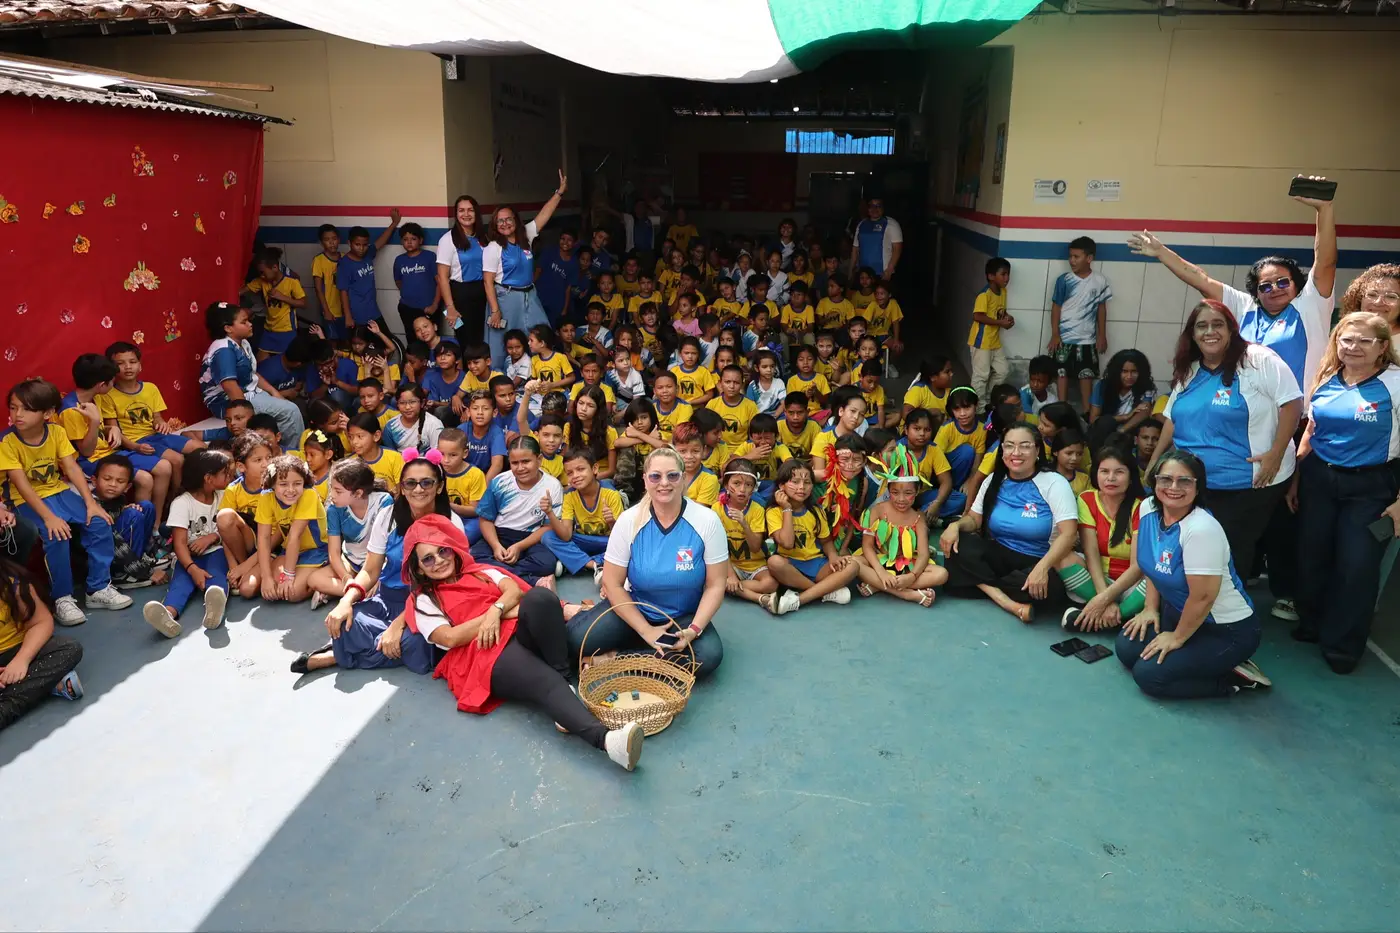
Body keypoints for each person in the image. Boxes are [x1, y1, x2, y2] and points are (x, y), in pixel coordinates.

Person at [401, 514, 644, 770]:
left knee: (540, 598)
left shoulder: (481, 572)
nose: (439, 560)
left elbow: (514, 590)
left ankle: (564, 685)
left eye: (443, 551)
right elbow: (450, 637)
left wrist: (496, 611)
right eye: (428, 558)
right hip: (485, 654)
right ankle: (608, 742)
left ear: (453, 549)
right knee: (545, 680)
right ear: (419, 568)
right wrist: (498, 615)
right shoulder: (423, 601)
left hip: (517, 632)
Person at [1149, 300, 1302, 583]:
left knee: (1228, 553)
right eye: (1202, 326)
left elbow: (1292, 403)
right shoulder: (1190, 369)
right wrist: (1154, 461)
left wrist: (1276, 454)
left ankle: (1228, 609)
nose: (1210, 332)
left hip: (1249, 482)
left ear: (1231, 329)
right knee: (1193, 549)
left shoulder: (1258, 359)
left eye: (1217, 324)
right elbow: (1172, 418)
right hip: (1196, 482)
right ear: (1193, 334)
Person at [1108, 450, 1270, 699]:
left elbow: (1203, 597)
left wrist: (1177, 638)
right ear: (1155, 481)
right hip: (1178, 613)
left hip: (1225, 630)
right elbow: (1151, 564)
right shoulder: (1148, 508)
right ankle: (1199, 660)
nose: (1173, 488)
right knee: (1127, 649)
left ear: (1198, 487)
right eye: (1166, 479)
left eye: (1184, 481)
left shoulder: (1201, 529)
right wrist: (1150, 608)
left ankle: (1233, 678)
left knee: (1149, 676)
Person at [1290, 312, 1400, 674]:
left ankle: (1342, 648)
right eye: (1347, 339)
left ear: (1382, 347)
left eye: (1365, 341)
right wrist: (1296, 477)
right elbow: (1312, 429)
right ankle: (1312, 624)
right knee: (1312, 556)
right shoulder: (1326, 378)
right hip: (1319, 479)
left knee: (1357, 566)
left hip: (1370, 487)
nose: (1354, 347)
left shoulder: (1395, 384)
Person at [566, 447, 727, 678]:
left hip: (683, 616)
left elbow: (716, 585)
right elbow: (612, 583)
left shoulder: (707, 521)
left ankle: (616, 659)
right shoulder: (628, 521)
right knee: (573, 642)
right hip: (635, 608)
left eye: (673, 475)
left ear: (683, 479)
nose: (664, 483)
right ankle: (639, 641)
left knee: (708, 656)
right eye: (655, 476)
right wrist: (645, 630)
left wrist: (694, 629)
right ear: (645, 480)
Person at [296, 451, 453, 674]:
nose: (418, 489)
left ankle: (336, 656)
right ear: (402, 488)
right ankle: (369, 647)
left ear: (439, 486)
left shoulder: (451, 523)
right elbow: (370, 570)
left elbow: (443, 587)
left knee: (418, 642)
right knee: (347, 622)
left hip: (425, 604)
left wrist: (399, 624)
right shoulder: (388, 517)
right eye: (411, 483)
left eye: (426, 482)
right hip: (388, 598)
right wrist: (346, 600)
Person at [1, 378, 131, 626]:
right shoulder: (7, 441)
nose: (18, 415)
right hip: (24, 499)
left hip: (59, 491)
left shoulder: (56, 432)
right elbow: (21, 484)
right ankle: (62, 598)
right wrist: (49, 518)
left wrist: (91, 503)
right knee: (57, 534)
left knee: (99, 522)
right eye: (14, 408)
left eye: (27, 409)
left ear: (47, 413)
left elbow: (71, 468)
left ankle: (98, 588)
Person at [940, 422, 1079, 622]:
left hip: (1038, 559)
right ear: (1002, 450)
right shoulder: (993, 480)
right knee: (957, 544)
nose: (1016, 452)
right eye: (1009, 446)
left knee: (1052, 589)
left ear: (1037, 450)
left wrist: (1042, 568)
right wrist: (955, 525)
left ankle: (975, 582)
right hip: (999, 553)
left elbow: (1069, 534)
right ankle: (1008, 603)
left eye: (1025, 446)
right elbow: (974, 520)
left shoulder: (1054, 483)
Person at [141, 449, 232, 638]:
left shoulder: (224, 495)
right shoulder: (182, 503)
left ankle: (214, 609)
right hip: (188, 557)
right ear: (208, 478)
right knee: (180, 583)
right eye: (225, 473)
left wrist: (212, 537)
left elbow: (230, 526)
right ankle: (168, 615)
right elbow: (180, 543)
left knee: (216, 575)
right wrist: (192, 568)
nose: (230, 476)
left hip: (216, 550)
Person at [1060, 445, 1150, 633]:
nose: (1111, 478)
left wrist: (1106, 598)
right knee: (1062, 557)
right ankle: (1115, 617)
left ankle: (1102, 617)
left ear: (1131, 477)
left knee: (1156, 578)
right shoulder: (1087, 499)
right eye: (1104, 471)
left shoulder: (1142, 507)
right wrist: (1104, 598)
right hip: (1096, 581)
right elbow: (1091, 554)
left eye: (1119, 472)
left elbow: (1137, 566)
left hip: (1130, 585)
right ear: (1096, 473)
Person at [483, 172, 568, 369]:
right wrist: (495, 310)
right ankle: (500, 377)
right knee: (502, 341)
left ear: (516, 220)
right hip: (505, 298)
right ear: (495, 225)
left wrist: (559, 193)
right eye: (500, 221)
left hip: (530, 295)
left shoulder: (525, 236)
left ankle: (540, 372)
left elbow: (544, 215)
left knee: (542, 334)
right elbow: (487, 281)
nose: (505, 224)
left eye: (509, 219)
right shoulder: (493, 247)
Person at [759, 458, 860, 614]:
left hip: (816, 564)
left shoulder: (816, 511)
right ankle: (823, 592)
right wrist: (787, 509)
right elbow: (787, 543)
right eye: (795, 482)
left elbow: (826, 542)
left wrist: (833, 557)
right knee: (774, 562)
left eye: (807, 482)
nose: (802, 487)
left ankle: (800, 599)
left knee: (853, 565)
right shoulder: (773, 512)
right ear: (781, 486)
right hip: (790, 566)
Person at [199, 301, 304, 448]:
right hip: (227, 402)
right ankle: (292, 454)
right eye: (244, 322)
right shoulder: (223, 350)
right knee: (291, 412)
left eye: (248, 320)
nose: (250, 324)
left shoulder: (242, 342)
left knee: (289, 406)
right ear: (228, 328)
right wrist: (246, 416)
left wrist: (274, 392)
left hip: (250, 394)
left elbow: (252, 374)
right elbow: (230, 386)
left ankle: (276, 451)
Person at [0, 556, 85, 730]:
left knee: (68, 648)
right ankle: (44, 685)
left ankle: (8, 705)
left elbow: (42, 622)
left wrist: (21, 660)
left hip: (17, 653)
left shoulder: (13, 585)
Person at [855, 448, 948, 606]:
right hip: (878, 563)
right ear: (888, 490)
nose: (901, 499)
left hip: (906, 566)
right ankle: (907, 594)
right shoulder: (877, 510)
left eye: (908, 493)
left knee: (941, 574)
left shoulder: (919, 518)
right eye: (895, 492)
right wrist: (881, 573)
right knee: (853, 563)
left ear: (917, 491)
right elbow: (867, 546)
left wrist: (911, 576)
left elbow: (923, 554)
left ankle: (878, 585)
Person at [471, 436, 564, 585]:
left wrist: (519, 547)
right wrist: (496, 546)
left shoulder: (553, 486)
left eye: (526, 461)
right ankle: (533, 580)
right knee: (473, 557)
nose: (520, 468)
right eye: (515, 463)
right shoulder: (500, 482)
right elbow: (485, 519)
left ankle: (498, 573)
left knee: (546, 563)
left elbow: (548, 527)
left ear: (539, 460)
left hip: (531, 538)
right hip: (500, 533)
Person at [542, 447, 624, 585]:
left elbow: (620, 537)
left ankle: (573, 562)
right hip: (583, 541)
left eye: (580, 469)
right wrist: (550, 512)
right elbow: (566, 536)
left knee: (630, 547)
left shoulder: (611, 494)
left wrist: (611, 522)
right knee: (548, 537)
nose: (575, 476)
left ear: (595, 468)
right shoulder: (569, 496)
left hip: (607, 542)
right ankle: (595, 565)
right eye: (570, 473)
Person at [1048, 237, 1112, 409]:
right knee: (1061, 375)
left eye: (1076, 257)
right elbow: (1056, 307)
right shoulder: (1064, 280)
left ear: (1089, 258)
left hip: (1087, 339)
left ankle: (1087, 413)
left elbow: (1101, 309)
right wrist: (1055, 334)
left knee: (1086, 376)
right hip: (1064, 339)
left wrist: (1102, 335)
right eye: (1070, 256)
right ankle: (1061, 411)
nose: (1072, 260)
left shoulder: (1100, 281)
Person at [437, 195, 489, 347]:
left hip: (484, 292)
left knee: (484, 338)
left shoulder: (483, 236)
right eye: (461, 210)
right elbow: (442, 277)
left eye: (470, 210)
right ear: (456, 214)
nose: (466, 214)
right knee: (466, 339)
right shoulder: (447, 240)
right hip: (460, 296)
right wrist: (450, 307)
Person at [335, 213, 401, 333]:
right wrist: (348, 316)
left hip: (373, 311)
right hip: (358, 316)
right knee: (363, 344)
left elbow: (380, 242)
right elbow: (343, 291)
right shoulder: (344, 264)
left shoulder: (368, 254)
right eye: (357, 245)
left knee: (387, 340)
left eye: (365, 245)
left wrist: (394, 224)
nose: (361, 248)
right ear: (349, 243)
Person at [242, 246, 307, 357]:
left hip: (286, 330)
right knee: (261, 362)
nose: (261, 276)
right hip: (269, 329)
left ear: (275, 267)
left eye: (263, 272)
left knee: (286, 361)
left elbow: (303, 303)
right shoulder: (262, 281)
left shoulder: (291, 282)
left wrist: (282, 297)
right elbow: (242, 291)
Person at [1087, 349, 1156, 451]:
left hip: (1128, 433)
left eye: (1134, 371)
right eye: (1124, 371)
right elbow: (1094, 419)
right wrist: (1125, 417)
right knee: (1104, 423)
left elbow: (1144, 412)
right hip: (1104, 432)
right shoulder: (1103, 386)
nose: (1129, 376)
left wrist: (1121, 431)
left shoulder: (1146, 387)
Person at [969, 258, 1014, 400]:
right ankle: (978, 407)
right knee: (981, 376)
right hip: (981, 342)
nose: (1007, 278)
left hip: (994, 341)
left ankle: (989, 399)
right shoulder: (984, 294)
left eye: (1008, 274)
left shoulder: (1003, 292)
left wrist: (1007, 317)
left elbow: (999, 312)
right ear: (991, 276)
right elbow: (977, 316)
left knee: (1003, 371)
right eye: (1003, 274)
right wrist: (1000, 323)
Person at [1340, 264, 1400, 355]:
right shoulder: (1343, 335)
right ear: (1359, 298)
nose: (1378, 302)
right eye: (1372, 295)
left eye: (1391, 297)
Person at [392, 222, 441, 333]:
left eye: (413, 239)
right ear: (401, 241)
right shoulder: (399, 260)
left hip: (429, 308)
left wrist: (434, 305)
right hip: (407, 308)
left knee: (431, 337)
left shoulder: (430, 257)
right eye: (405, 239)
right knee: (412, 338)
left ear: (421, 240)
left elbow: (440, 282)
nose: (409, 242)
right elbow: (398, 282)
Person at [850, 196, 903, 285]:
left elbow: (897, 249)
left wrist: (889, 270)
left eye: (878, 206)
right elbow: (855, 249)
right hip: (863, 275)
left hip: (883, 274)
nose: (875, 209)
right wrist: (851, 272)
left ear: (883, 207)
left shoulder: (891, 224)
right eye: (872, 206)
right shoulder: (862, 224)